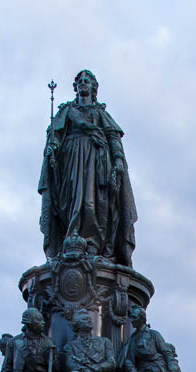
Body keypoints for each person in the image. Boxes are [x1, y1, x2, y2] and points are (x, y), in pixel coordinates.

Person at [38, 69, 137, 266]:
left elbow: (113, 137)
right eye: (80, 81)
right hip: (71, 160)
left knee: (93, 203)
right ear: (75, 88)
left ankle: (93, 245)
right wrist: (53, 146)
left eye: (87, 80)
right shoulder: (67, 111)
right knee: (70, 200)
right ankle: (70, 238)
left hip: (96, 160)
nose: (83, 83)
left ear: (94, 88)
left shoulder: (100, 113)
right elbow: (55, 135)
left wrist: (117, 159)